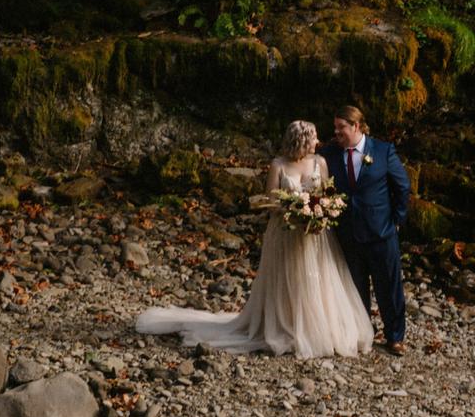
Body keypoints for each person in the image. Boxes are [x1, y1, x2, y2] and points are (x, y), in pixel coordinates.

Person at [134, 120, 373, 358]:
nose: (317, 141)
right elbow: (270, 200)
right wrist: (295, 210)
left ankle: (317, 327)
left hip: (314, 234)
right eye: (313, 137)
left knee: (318, 278)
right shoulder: (278, 165)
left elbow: (326, 193)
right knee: (287, 277)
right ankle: (286, 324)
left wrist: (320, 211)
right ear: (301, 139)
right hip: (285, 231)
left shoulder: (319, 162)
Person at [323, 105, 410, 355]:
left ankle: (395, 337)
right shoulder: (329, 153)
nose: (336, 132)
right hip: (347, 232)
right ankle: (363, 334)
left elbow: (402, 186)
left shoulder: (383, 150)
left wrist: (396, 220)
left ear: (356, 126)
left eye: (341, 127)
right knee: (355, 287)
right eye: (335, 127)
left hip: (381, 232)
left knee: (389, 287)